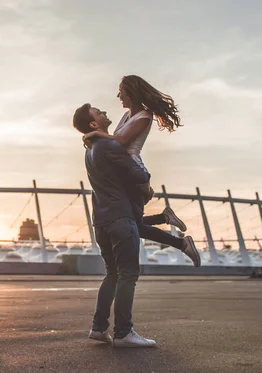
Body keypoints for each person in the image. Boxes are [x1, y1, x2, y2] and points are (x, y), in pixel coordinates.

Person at [82, 75, 200, 267]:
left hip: (133, 170)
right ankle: (170, 225)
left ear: (131, 92)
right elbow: (115, 142)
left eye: (121, 90)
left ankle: (178, 237)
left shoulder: (144, 117)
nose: (118, 95)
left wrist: (96, 133)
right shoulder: (127, 116)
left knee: (132, 224)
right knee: (131, 222)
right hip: (123, 171)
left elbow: (121, 142)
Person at [73, 103, 156, 347]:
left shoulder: (89, 151)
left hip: (101, 220)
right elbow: (140, 175)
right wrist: (145, 188)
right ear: (93, 124)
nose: (104, 112)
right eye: (98, 112)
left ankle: (99, 328)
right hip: (120, 217)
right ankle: (124, 333)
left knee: (112, 273)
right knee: (128, 274)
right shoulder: (108, 145)